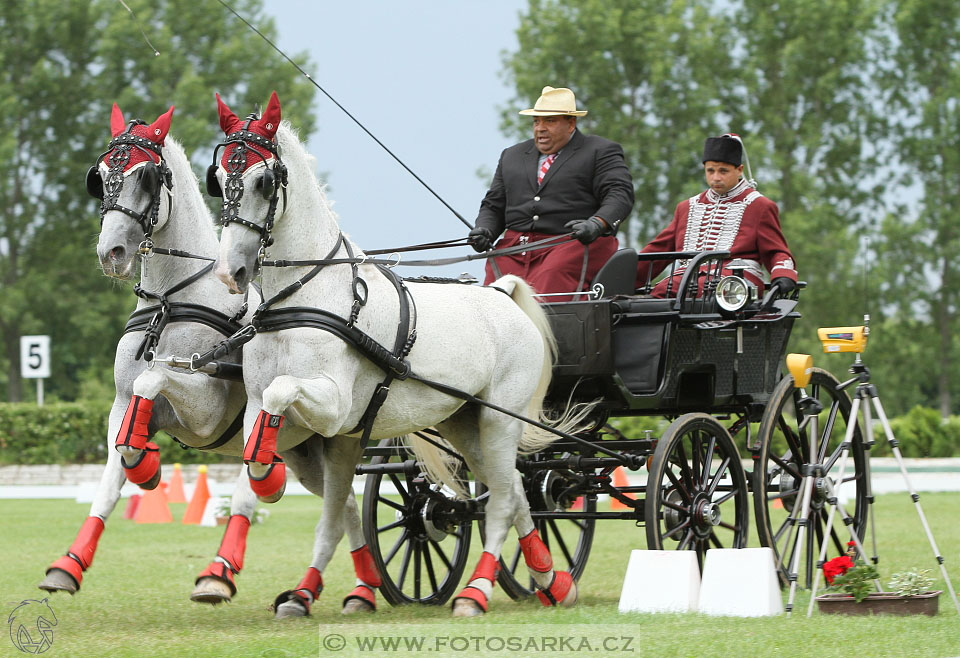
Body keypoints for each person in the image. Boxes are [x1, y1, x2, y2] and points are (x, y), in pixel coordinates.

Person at [469, 86, 634, 301]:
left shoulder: (600, 151)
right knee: (494, 290)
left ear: (571, 123)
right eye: (537, 121)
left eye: (550, 121)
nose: (540, 129)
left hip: (572, 243)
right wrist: (485, 229)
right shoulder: (512, 156)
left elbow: (619, 194)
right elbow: (494, 205)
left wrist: (596, 223)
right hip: (515, 249)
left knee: (551, 277)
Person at [634, 134, 797, 297]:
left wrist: (783, 273)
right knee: (659, 294)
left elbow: (776, 250)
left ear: (739, 170)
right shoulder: (686, 207)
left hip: (735, 282)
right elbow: (660, 249)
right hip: (684, 280)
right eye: (710, 171)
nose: (716, 177)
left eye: (723, 171)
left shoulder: (760, 206)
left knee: (711, 289)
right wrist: (622, 276)